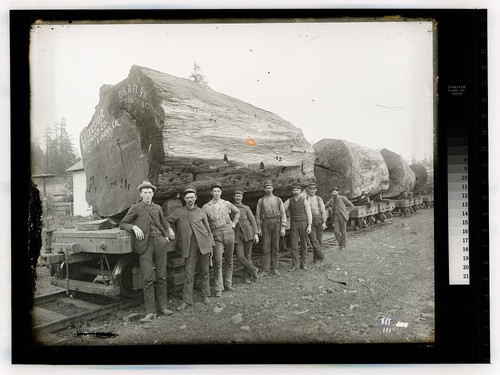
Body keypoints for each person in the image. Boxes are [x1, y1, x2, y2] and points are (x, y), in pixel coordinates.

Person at [119, 181, 176, 323]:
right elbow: (123, 223)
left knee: (162, 276)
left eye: (150, 192)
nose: (148, 195)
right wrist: (133, 227)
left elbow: (164, 222)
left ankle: (163, 307)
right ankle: (150, 311)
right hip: (145, 246)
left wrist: (167, 236)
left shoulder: (157, 208)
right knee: (147, 278)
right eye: (145, 193)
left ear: (153, 194)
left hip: (160, 243)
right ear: (141, 194)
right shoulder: (136, 208)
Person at [167, 186, 215, 311]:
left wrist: (211, 243)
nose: (190, 200)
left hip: (204, 244)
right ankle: (187, 301)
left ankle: (206, 295)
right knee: (189, 273)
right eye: (187, 198)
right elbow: (167, 221)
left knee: (204, 271)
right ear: (184, 199)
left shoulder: (201, 211)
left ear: (196, 198)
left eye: (192, 197)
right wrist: (170, 230)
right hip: (189, 246)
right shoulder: (179, 211)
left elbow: (207, 228)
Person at [203, 183, 240, 297]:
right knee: (218, 262)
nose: (216, 193)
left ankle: (228, 283)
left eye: (218, 191)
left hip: (229, 232)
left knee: (229, 260)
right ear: (211, 193)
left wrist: (234, 222)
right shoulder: (206, 207)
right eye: (214, 191)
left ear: (221, 192)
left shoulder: (227, 203)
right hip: (216, 234)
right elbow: (205, 222)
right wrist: (209, 234)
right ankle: (219, 288)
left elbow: (237, 211)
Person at [255, 180, 287, 277]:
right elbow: (257, 216)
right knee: (265, 246)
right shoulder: (261, 201)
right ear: (264, 189)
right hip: (265, 223)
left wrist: (283, 227)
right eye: (266, 188)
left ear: (272, 188)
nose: (268, 190)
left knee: (275, 246)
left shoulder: (278, 200)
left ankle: (274, 268)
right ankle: (265, 269)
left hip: (276, 223)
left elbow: (283, 213)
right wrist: (259, 228)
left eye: (269, 188)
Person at [231, 189, 260, 284]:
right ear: (233, 197)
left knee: (248, 257)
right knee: (240, 256)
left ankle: (246, 277)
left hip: (248, 234)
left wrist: (256, 233)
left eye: (239, 196)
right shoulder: (229, 207)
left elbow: (252, 221)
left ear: (242, 197)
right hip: (237, 235)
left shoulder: (246, 208)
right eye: (236, 196)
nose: (237, 198)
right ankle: (254, 270)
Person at [283, 183, 313, 271]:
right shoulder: (289, 201)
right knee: (294, 245)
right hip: (294, 224)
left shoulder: (304, 201)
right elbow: (282, 210)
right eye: (294, 190)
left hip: (303, 223)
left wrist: (309, 225)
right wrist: (284, 221)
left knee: (304, 244)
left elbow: (309, 213)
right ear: (292, 191)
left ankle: (303, 264)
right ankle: (294, 265)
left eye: (297, 190)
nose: (296, 192)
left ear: (300, 191)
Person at [305, 182, 328, 263]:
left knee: (320, 241)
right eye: (310, 189)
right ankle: (322, 256)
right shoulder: (305, 199)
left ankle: (316, 259)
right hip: (310, 221)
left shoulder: (319, 199)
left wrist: (324, 222)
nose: (312, 191)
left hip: (319, 220)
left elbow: (323, 211)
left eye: (313, 189)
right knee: (314, 241)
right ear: (308, 190)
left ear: (316, 190)